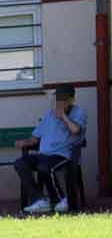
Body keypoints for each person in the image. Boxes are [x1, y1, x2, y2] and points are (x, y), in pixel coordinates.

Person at [16, 86, 87, 214]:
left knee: (45, 167)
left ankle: (62, 200)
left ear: (72, 100)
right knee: (21, 163)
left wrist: (63, 117)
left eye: (63, 100)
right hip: (43, 154)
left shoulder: (79, 113)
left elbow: (76, 130)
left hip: (62, 155)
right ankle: (39, 200)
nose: (59, 103)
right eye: (57, 100)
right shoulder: (49, 115)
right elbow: (35, 138)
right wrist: (24, 142)